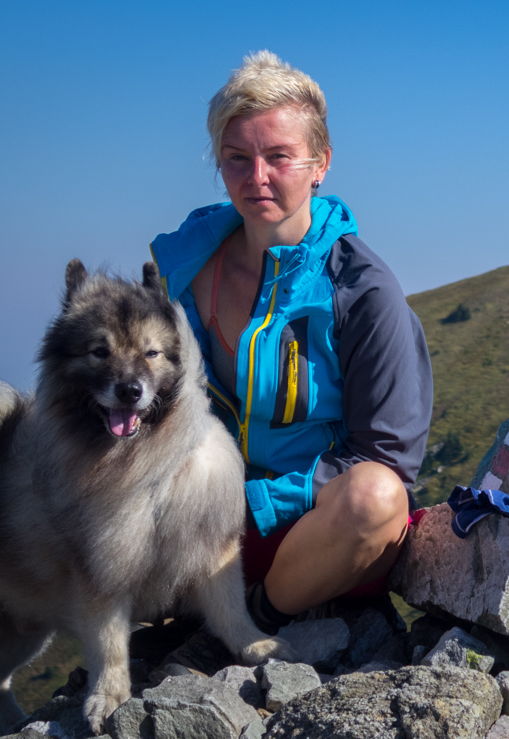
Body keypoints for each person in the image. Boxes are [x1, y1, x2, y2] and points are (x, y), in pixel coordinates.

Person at [151, 51, 432, 638]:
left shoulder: (362, 289)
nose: (256, 177)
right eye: (237, 159)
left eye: (278, 156)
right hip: (198, 517)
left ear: (319, 163)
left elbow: (389, 456)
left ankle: (249, 625)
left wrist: (251, 505)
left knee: (377, 498)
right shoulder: (182, 267)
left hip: (308, 530)